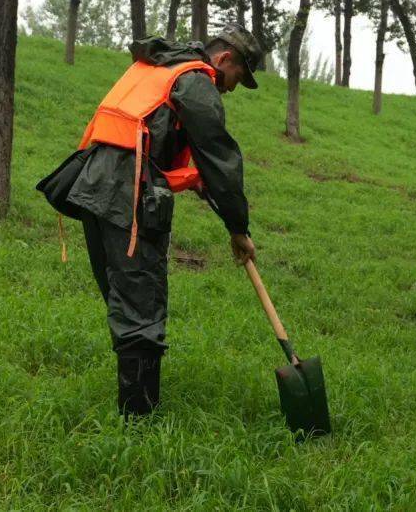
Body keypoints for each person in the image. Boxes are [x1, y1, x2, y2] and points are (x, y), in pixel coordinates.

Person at [37, 24, 264, 417]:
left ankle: (135, 406)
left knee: (124, 299)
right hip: (127, 195)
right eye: (237, 77)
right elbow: (220, 159)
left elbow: (147, 136)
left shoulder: (157, 67)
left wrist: (189, 177)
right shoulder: (195, 80)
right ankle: (139, 422)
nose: (231, 87)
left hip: (94, 186)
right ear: (224, 58)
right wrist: (238, 229)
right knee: (141, 303)